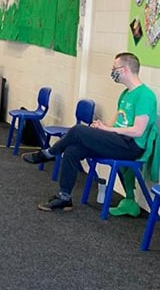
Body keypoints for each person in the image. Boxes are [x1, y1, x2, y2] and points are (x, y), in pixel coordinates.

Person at [23, 51, 158, 213]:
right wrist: (102, 127)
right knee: (72, 150)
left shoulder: (145, 96)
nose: (112, 72)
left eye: (114, 68)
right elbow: (116, 123)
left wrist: (107, 129)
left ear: (125, 69)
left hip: (131, 146)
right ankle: (64, 198)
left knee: (79, 130)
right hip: (117, 140)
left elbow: (138, 131)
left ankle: (49, 153)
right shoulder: (125, 94)